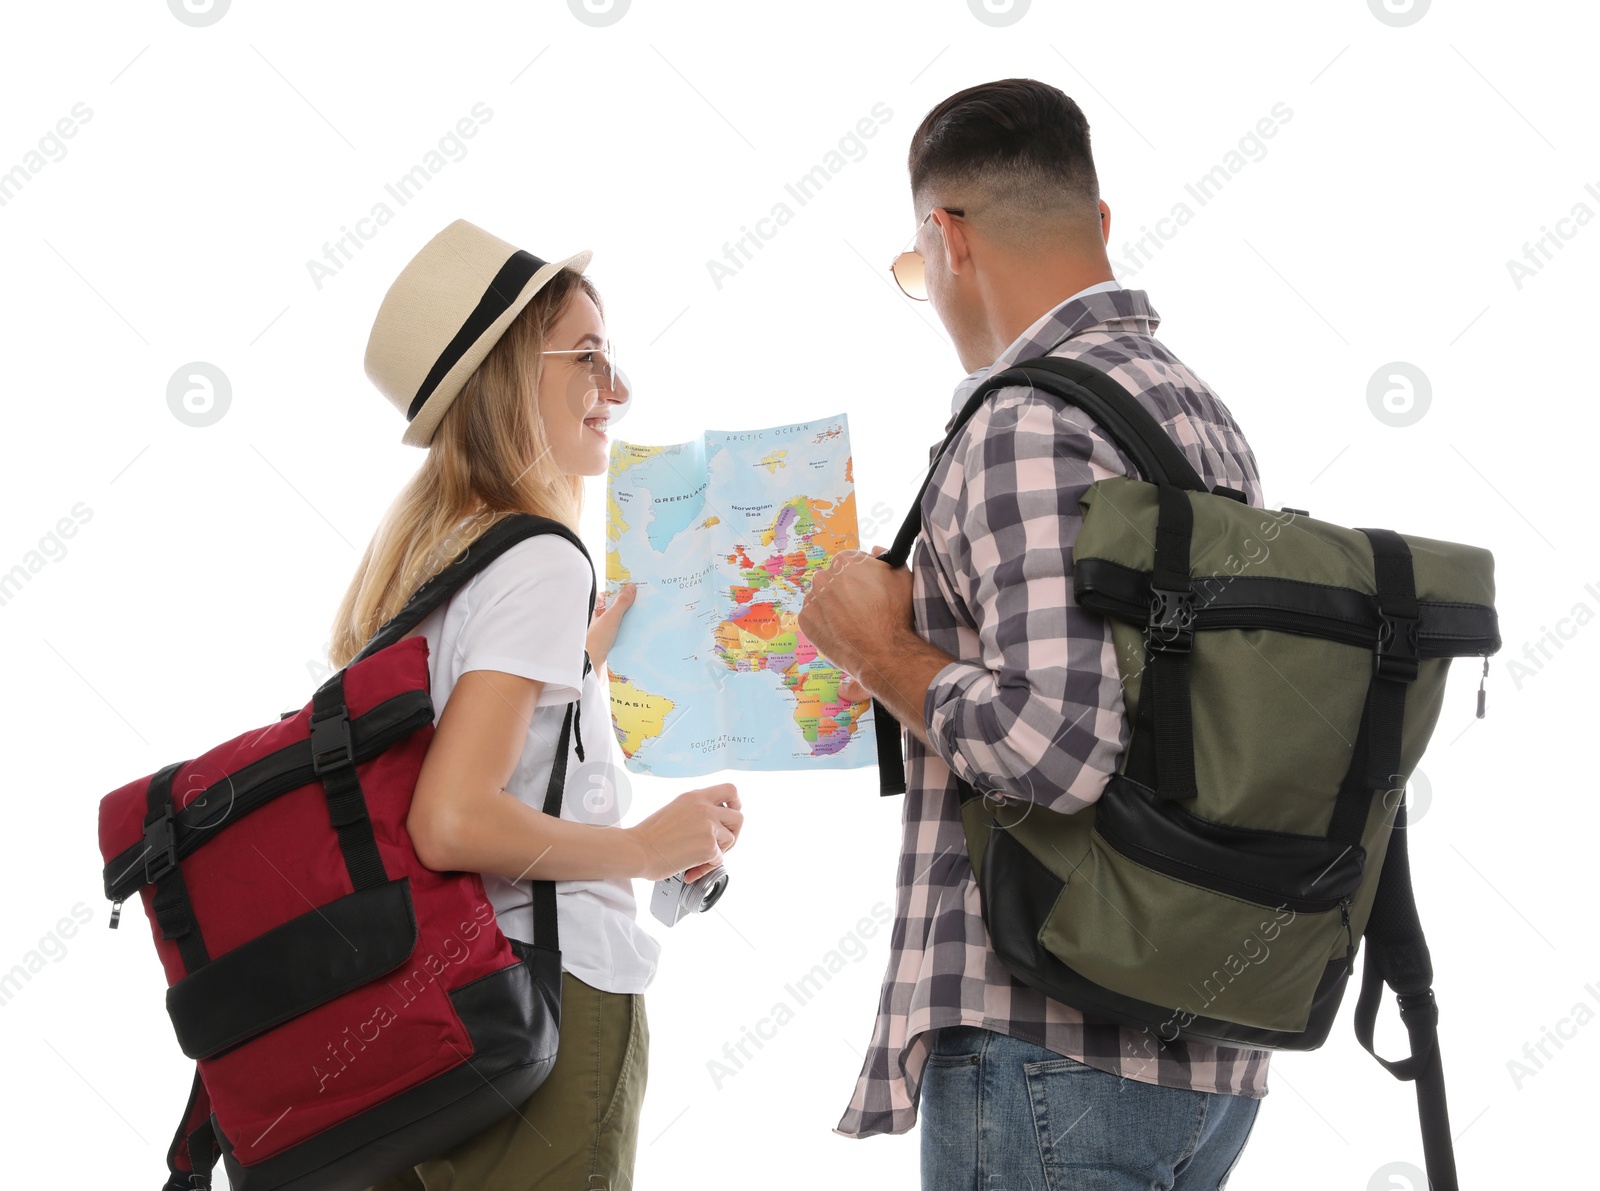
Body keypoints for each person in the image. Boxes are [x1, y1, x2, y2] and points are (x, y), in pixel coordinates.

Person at [798, 80, 1267, 1189]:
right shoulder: (1194, 410)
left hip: (1050, 1043)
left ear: (945, 238)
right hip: (1204, 1049)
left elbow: (1057, 746)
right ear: (1097, 224)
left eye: (917, 272)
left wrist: (879, 654)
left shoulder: (1022, 423)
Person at [336, 218, 743, 1191]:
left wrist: (577, 668)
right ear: (514, 376)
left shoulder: (428, 564)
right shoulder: (538, 557)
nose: (619, 390)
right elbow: (451, 818)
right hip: (543, 1011)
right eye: (589, 356)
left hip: (420, 1012)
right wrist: (648, 848)